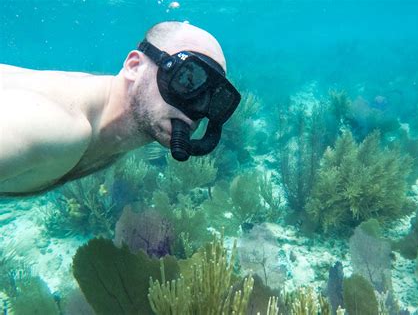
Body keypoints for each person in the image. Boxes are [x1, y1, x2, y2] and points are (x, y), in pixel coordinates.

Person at [0, 21, 241, 196]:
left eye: (212, 96)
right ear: (134, 66)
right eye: (187, 79)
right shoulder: (54, 128)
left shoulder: (115, 125)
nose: (195, 108)